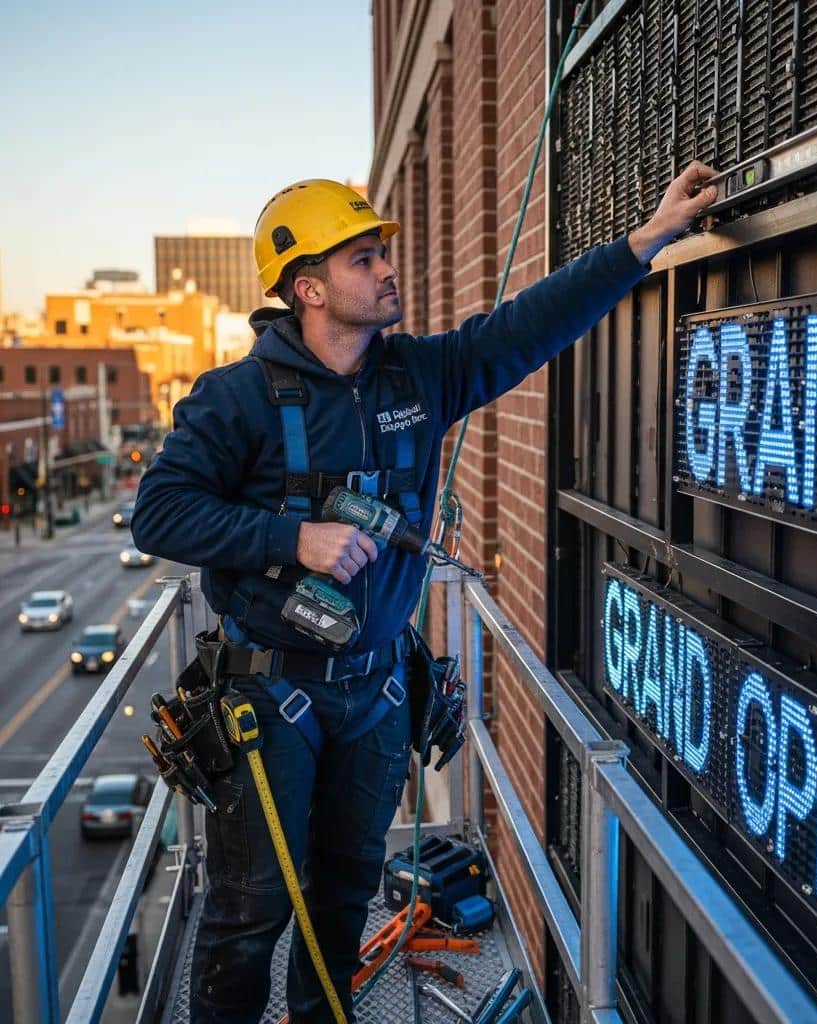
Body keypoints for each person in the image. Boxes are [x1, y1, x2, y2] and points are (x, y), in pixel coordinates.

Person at [131, 160, 718, 1024]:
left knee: (341, 898)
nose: (385, 268)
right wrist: (291, 537)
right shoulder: (236, 401)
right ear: (310, 290)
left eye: (381, 252)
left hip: (374, 695)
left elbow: (527, 327)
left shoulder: (419, 377)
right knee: (248, 912)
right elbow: (161, 514)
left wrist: (645, 240)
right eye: (362, 259)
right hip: (268, 694)